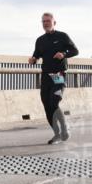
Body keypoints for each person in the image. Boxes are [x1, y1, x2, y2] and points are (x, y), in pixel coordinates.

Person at [29, 13, 79, 144]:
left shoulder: (62, 36)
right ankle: (57, 134)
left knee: (54, 102)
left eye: (48, 21)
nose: (46, 23)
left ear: (54, 23)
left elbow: (75, 51)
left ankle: (64, 128)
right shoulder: (40, 40)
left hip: (58, 75)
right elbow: (36, 55)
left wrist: (63, 54)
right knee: (46, 105)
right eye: (43, 21)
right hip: (46, 76)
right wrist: (33, 59)